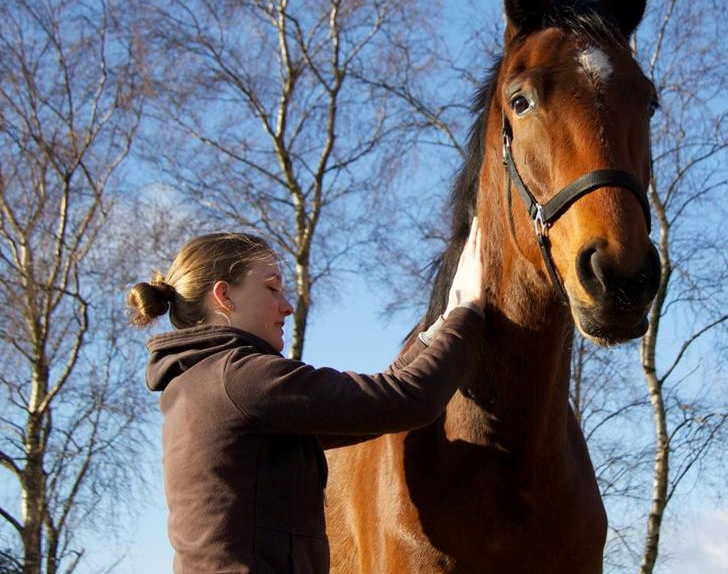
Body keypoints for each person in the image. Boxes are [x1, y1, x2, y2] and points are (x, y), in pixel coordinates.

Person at [127, 219, 485, 573]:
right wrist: (468, 313)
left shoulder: (201, 383)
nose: (287, 305)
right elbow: (408, 399)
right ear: (224, 296)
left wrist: (438, 329)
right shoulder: (238, 378)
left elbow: (375, 403)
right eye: (271, 288)